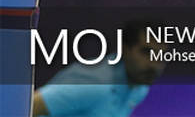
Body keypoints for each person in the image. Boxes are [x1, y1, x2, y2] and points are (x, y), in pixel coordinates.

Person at [32, 22, 165, 117]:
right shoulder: (94, 84)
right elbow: (29, 107)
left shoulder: (140, 87)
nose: (154, 64)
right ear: (125, 49)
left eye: (160, 56)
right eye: (146, 52)